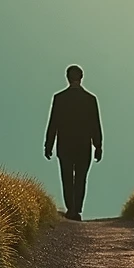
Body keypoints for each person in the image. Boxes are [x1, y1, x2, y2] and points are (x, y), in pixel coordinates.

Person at [44, 64, 102, 220]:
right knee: (81, 177)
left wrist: (48, 144)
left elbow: (53, 122)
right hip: (84, 145)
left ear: (67, 77)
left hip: (65, 144)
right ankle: (77, 209)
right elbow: (95, 123)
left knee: (67, 176)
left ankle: (71, 209)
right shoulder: (90, 99)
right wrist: (98, 145)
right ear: (81, 77)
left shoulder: (59, 98)